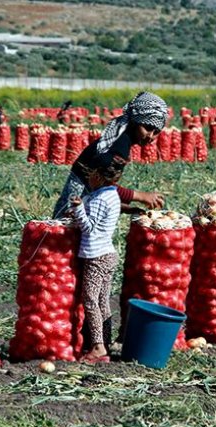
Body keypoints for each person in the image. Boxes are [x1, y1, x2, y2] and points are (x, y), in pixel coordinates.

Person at [52, 91, 167, 220]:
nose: (150, 136)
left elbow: (101, 190)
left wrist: (125, 208)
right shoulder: (120, 145)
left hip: (82, 205)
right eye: (147, 128)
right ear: (135, 122)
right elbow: (102, 184)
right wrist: (141, 196)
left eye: (156, 132)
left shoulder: (118, 138)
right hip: (74, 211)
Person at [67, 157, 124, 363]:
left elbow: (89, 228)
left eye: (91, 174)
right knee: (102, 301)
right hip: (107, 254)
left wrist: (78, 208)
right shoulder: (111, 195)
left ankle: (98, 346)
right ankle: (105, 343)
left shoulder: (100, 199)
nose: (88, 178)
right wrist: (78, 212)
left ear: (99, 176)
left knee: (90, 300)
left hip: (96, 256)